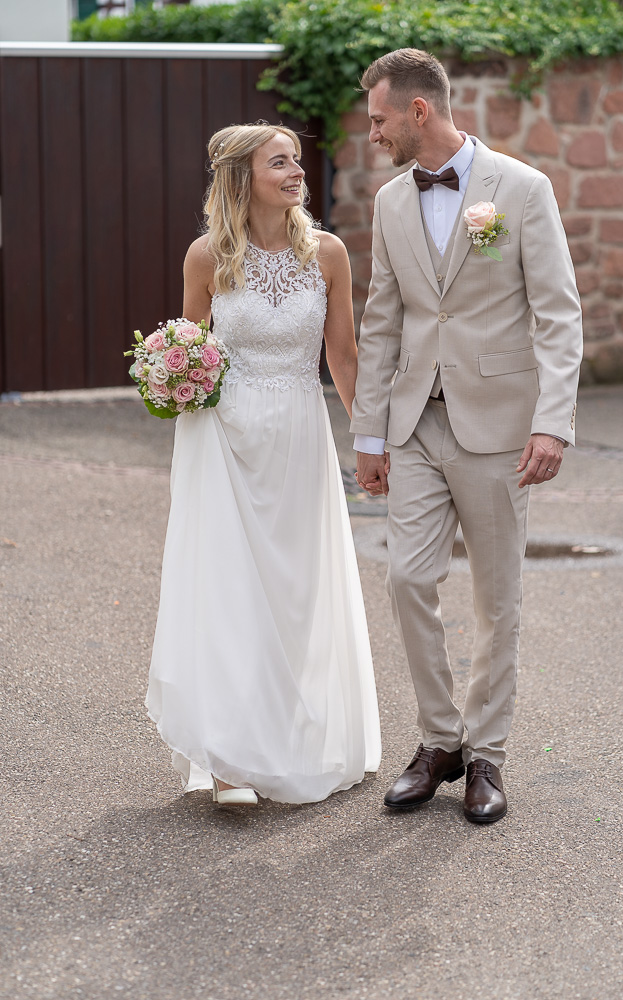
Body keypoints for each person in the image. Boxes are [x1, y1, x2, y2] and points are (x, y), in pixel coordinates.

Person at [352, 49, 583, 823]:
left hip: (499, 426)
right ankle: (437, 740)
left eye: (379, 115)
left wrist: (552, 421)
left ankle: (486, 754)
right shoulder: (389, 201)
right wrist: (369, 437)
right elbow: (383, 320)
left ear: (420, 110)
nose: (371, 129)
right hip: (415, 421)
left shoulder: (520, 189)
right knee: (406, 580)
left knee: (495, 599)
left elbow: (556, 312)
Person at [146, 123, 381, 806]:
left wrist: (369, 438)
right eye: (279, 162)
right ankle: (228, 759)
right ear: (243, 178)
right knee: (229, 590)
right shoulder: (207, 257)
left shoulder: (328, 254)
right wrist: (171, 379)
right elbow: (190, 347)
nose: (295, 172)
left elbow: (342, 357)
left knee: (295, 591)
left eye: (297, 162)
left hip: (301, 435)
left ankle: (298, 735)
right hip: (224, 437)